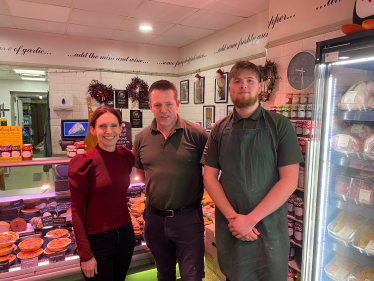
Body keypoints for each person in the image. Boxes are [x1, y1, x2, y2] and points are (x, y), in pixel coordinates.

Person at [201, 61, 304, 281]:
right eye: (237, 81)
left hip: (268, 229)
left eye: (250, 80)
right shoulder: (218, 129)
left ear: (260, 87)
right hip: (232, 227)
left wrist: (251, 219)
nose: (243, 86)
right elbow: (209, 177)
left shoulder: (280, 125)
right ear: (230, 89)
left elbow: (289, 180)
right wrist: (235, 219)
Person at [133, 80, 208, 281]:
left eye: (168, 104)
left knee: (191, 276)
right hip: (154, 219)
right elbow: (142, 173)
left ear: (177, 103)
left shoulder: (198, 135)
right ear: (150, 106)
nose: (163, 110)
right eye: (157, 105)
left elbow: (210, 172)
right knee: (164, 274)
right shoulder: (141, 138)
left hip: (188, 219)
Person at [68, 106, 135, 281]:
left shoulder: (126, 156)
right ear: (92, 130)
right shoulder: (84, 163)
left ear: (121, 128)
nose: (109, 131)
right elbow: (76, 211)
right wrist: (85, 254)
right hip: (98, 242)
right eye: (102, 126)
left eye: (114, 125)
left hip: (126, 234)